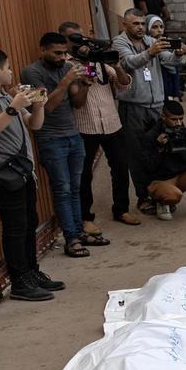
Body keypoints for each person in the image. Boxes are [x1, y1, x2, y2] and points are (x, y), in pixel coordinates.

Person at [22, 33, 108, 259]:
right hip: (51, 139)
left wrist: (86, 85)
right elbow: (46, 107)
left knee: (76, 188)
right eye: (56, 53)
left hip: (73, 136)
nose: (62, 57)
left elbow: (77, 104)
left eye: (64, 53)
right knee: (63, 189)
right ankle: (71, 238)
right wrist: (66, 81)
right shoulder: (31, 73)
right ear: (43, 50)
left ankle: (79, 232)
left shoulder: (65, 69)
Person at [0, 48, 62, 300]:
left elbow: (35, 124)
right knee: (15, 227)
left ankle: (32, 272)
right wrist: (12, 107)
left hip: (23, 171)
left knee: (29, 222)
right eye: (8, 68)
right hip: (3, 173)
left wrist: (38, 105)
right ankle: (20, 281)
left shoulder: (6, 96)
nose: (11, 72)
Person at [60, 22, 139, 229]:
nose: (80, 43)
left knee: (121, 168)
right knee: (84, 174)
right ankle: (86, 217)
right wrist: (85, 82)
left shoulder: (99, 62)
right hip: (86, 127)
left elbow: (124, 84)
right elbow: (77, 103)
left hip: (112, 123)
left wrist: (116, 63)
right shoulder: (68, 66)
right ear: (65, 41)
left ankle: (121, 209)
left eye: (81, 37)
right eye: (73, 38)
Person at [113, 8, 186, 214]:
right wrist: (150, 52)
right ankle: (142, 196)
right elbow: (128, 63)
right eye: (135, 24)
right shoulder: (119, 42)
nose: (140, 27)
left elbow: (169, 60)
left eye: (142, 23)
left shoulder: (148, 40)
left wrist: (178, 54)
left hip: (156, 105)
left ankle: (160, 193)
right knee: (137, 153)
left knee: (160, 148)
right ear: (125, 25)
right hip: (134, 106)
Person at [145, 15, 182, 101]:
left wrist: (177, 53)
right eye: (154, 27)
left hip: (170, 75)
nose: (159, 30)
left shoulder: (166, 41)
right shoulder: (145, 44)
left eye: (161, 27)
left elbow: (170, 60)